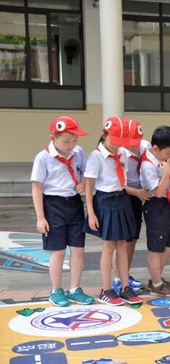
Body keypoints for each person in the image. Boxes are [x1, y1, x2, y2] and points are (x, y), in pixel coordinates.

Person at [31, 116, 95, 307]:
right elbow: (36, 188)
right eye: (66, 141)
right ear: (53, 138)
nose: (71, 145)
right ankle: (56, 289)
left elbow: (84, 173)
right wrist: (41, 217)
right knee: (58, 250)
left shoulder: (79, 152)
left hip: (74, 204)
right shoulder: (43, 158)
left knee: (78, 249)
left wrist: (82, 184)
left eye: (74, 140)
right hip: (53, 205)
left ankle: (75, 288)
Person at [84, 117, 142, 305]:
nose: (118, 144)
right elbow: (88, 186)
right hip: (105, 201)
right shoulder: (96, 156)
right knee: (109, 246)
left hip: (122, 199)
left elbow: (123, 180)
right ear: (104, 135)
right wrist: (91, 213)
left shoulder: (122, 153)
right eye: (115, 140)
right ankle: (106, 289)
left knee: (123, 245)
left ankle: (125, 287)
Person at [139, 126, 170, 296]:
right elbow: (158, 192)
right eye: (168, 153)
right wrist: (167, 173)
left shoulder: (160, 160)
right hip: (156, 206)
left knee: (169, 244)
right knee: (156, 247)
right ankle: (156, 284)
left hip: (168, 205)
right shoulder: (148, 165)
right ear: (156, 148)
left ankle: (157, 278)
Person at [112, 119, 150, 295]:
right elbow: (118, 182)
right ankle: (117, 278)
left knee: (132, 238)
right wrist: (136, 192)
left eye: (136, 143)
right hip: (125, 194)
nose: (133, 147)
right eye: (130, 144)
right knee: (121, 240)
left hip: (139, 195)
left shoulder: (145, 146)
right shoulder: (121, 153)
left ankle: (125, 273)